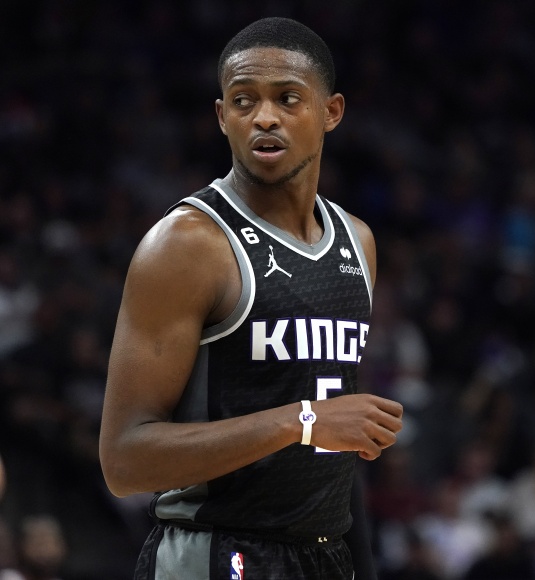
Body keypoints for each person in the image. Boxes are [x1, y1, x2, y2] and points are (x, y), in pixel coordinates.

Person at [99, 17, 403, 580]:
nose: (264, 117)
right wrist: (301, 420)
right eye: (244, 101)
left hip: (324, 556)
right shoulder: (187, 244)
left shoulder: (357, 242)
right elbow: (124, 460)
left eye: (287, 98)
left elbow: (336, 451)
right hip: (213, 552)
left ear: (331, 112)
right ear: (222, 117)